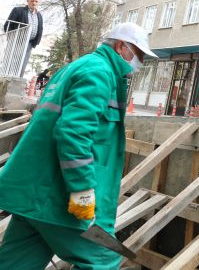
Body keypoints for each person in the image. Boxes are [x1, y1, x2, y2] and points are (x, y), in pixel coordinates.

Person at [0, 22, 156, 269]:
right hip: (57, 198)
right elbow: (73, 133)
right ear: (120, 47)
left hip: (34, 194)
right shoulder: (100, 73)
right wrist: (81, 190)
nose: (139, 63)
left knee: (17, 262)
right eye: (137, 54)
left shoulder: (76, 68)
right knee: (101, 260)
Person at [4, 0, 43, 77]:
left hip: (30, 43)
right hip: (17, 41)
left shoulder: (39, 15)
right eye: (32, 1)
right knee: (12, 61)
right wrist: (12, 38)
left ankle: (18, 79)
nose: (34, 3)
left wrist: (36, 42)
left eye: (36, 1)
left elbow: (40, 28)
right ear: (28, 2)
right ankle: (6, 77)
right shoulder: (18, 10)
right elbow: (8, 25)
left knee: (23, 63)